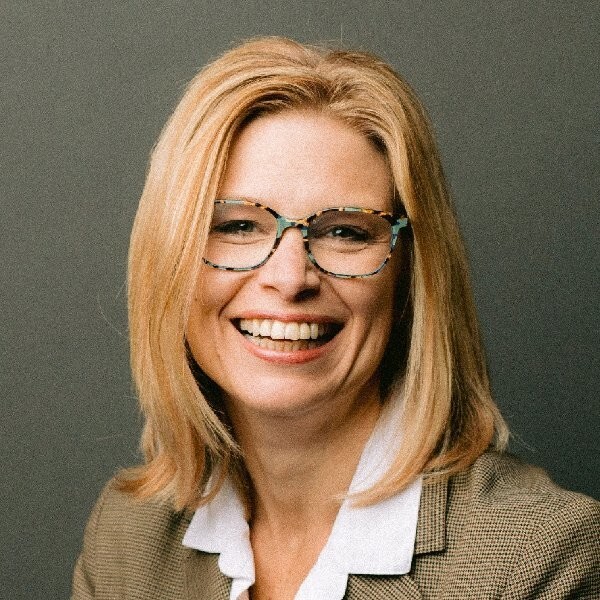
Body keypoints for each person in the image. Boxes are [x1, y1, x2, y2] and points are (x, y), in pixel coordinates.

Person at [72, 37, 599, 600]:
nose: (290, 276)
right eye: (237, 225)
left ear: (411, 277)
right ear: (167, 259)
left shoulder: (542, 555)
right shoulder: (128, 539)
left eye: (346, 231)